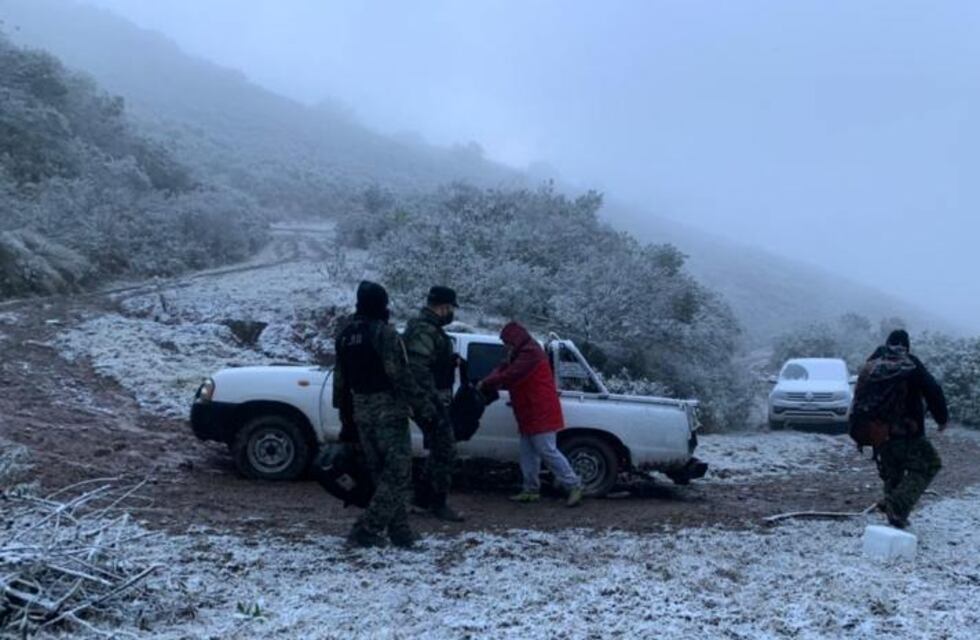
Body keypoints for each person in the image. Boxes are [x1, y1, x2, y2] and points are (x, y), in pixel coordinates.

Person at [333, 281, 436, 548]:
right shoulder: (384, 334)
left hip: (361, 412)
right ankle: (366, 529)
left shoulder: (345, 334)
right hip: (388, 412)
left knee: (383, 475)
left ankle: (400, 532)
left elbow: (340, 382)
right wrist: (424, 407)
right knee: (399, 474)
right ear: (381, 304)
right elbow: (400, 375)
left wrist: (347, 419)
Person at [478, 321, 583, 507]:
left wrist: (486, 383)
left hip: (540, 409)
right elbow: (503, 369)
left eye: (507, 342)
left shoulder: (530, 354)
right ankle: (530, 489)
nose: (506, 347)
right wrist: (489, 379)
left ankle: (574, 485)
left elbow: (509, 375)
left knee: (546, 450)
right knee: (528, 453)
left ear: (515, 340)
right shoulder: (520, 352)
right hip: (529, 409)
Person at [860, 329, 948, 529]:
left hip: (879, 433)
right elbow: (933, 389)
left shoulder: (873, 363)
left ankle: (895, 517)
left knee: (893, 473)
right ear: (906, 346)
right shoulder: (910, 363)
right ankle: (896, 506)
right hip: (908, 431)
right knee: (930, 465)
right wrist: (941, 418)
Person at [402, 285, 465, 522]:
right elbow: (417, 369)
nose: (451, 313)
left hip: (429, 398)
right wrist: (430, 402)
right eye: (450, 308)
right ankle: (437, 503)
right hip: (427, 399)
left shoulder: (429, 329)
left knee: (439, 448)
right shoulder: (424, 330)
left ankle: (422, 499)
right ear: (443, 307)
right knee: (445, 448)